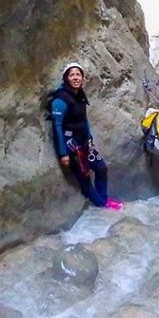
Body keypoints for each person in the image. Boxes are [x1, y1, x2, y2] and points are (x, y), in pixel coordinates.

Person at [49, 62, 122, 210]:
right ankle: (102, 206)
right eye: (72, 75)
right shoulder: (61, 99)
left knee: (101, 169)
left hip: (84, 143)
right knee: (85, 179)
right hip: (72, 146)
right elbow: (56, 126)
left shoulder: (80, 95)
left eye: (78, 74)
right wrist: (63, 153)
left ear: (82, 78)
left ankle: (104, 199)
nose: (75, 78)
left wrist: (89, 137)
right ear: (66, 78)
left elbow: (83, 119)